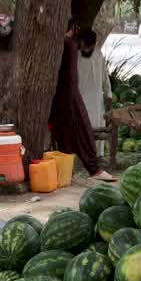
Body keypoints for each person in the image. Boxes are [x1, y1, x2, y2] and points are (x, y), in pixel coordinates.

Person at [49, 19, 116, 182]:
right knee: (79, 132)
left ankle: (83, 169)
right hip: (70, 96)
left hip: (71, 97)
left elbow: (102, 76)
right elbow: (70, 77)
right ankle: (90, 169)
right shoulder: (70, 46)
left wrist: (108, 92)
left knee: (69, 133)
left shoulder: (69, 46)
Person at [77, 28, 113, 158]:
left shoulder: (98, 56)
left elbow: (105, 79)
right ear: (80, 43)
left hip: (97, 103)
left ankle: (97, 156)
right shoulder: (74, 57)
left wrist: (109, 96)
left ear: (94, 44)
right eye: (84, 47)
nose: (87, 50)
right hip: (79, 101)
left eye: (89, 47)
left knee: (98, 128)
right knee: (80, 129)